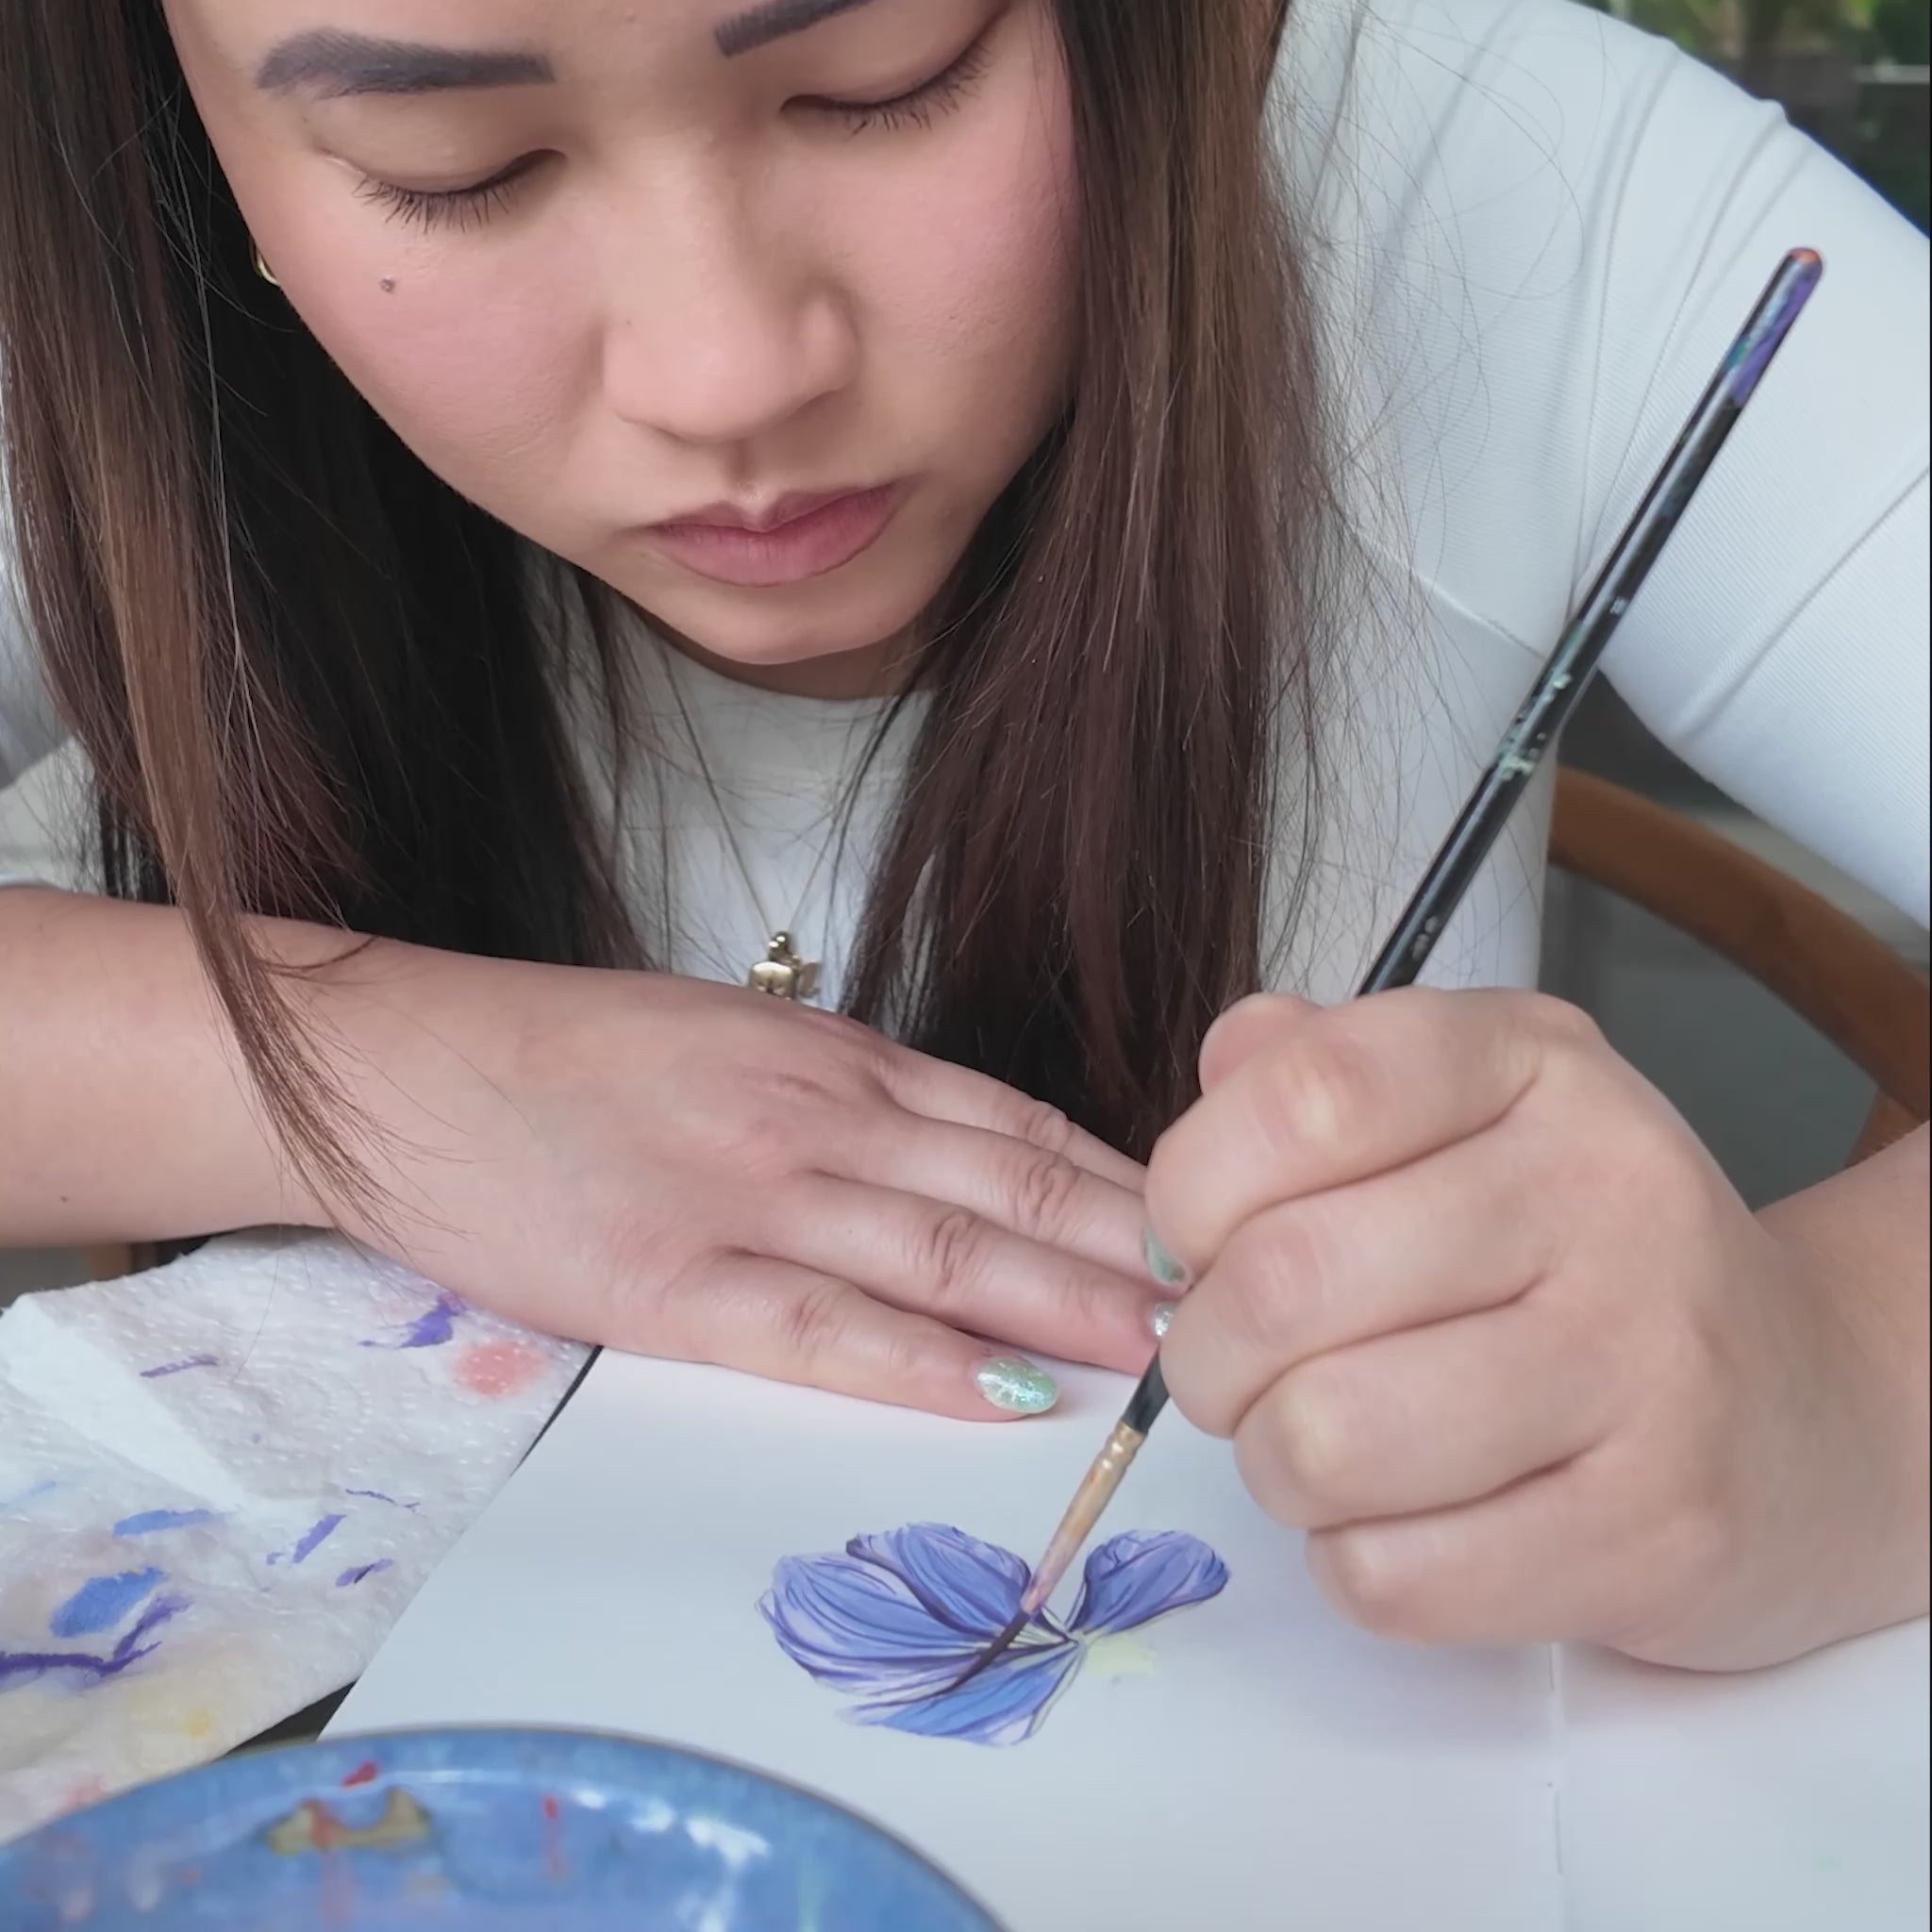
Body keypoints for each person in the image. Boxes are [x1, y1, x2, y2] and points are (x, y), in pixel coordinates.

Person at [0, 0, 1923, 1674]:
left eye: (883, 78)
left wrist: (1837, 1383)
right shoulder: (73, 264)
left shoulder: (1521, 186)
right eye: (450, 164)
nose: (727, 371)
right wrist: (341, 1067)